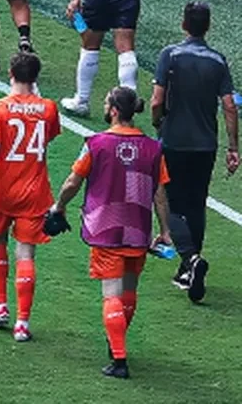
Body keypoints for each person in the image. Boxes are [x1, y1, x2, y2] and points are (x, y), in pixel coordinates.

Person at [47, 85, 170, 379]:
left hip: (105, 229)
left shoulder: (96, 143)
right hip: (138, 229)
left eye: (106, 103)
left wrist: (59, 206)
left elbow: (72, 182)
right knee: (129, 290)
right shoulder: (153, 148)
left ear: (114, 110)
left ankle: (119, 358)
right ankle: (117, 340)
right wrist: (165, 230)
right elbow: (160, 193)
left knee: (111, 294)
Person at [152, 1, 239, 302]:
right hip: (205, 145)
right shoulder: (218, 60)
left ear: (183, 24)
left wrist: (158, 122)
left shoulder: (171, 55)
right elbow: (229, 105)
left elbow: (156, 100)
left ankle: (190, 259)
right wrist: (233, 147)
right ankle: (187, 269)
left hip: (175, 140)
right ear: (209, 26)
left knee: (169, 202)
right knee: (196, 203)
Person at [0, 51, 60, 341]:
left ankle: (0, 307)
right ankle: (22, 323)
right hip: (34, 192)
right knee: (26, 253)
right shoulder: (48, 108)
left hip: (2, 190)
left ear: (11, 73)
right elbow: (46, 138)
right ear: (35, 78)